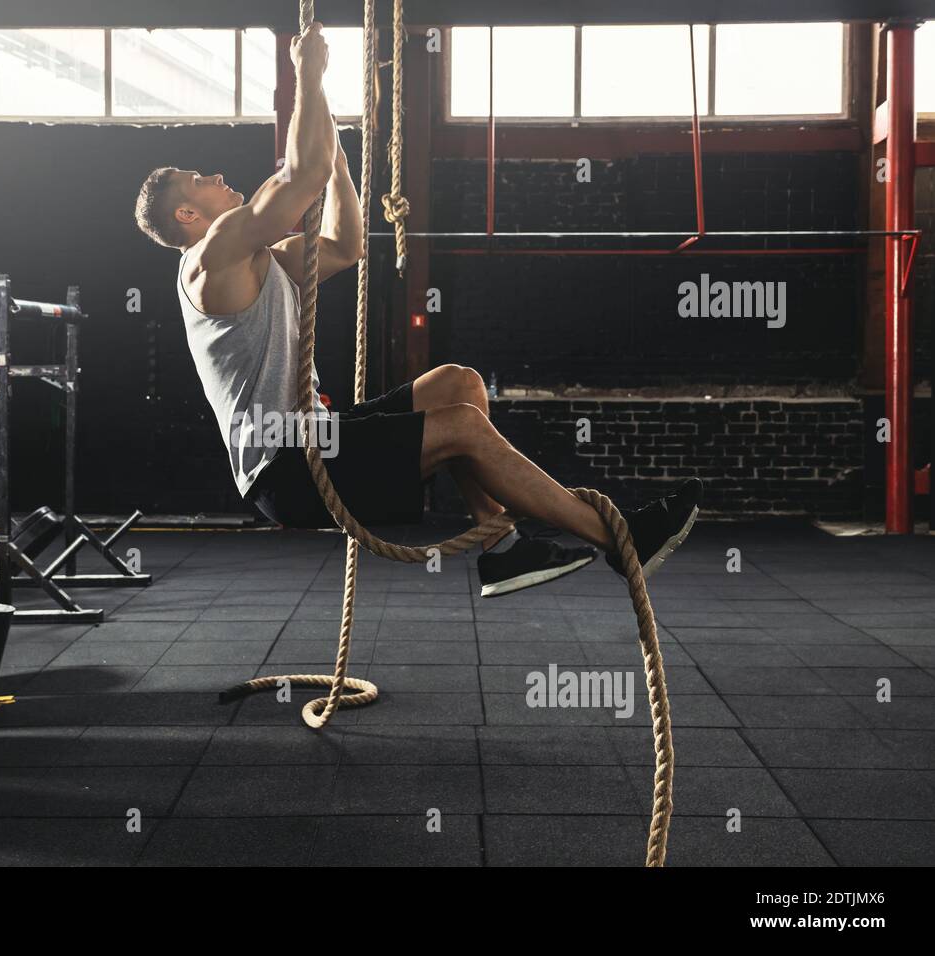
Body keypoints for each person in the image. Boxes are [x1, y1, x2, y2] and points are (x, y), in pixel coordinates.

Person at [134, 22, 701, 596]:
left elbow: (343, 245)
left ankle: (501, 547)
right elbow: (298, 175)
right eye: (198, 180)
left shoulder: (258, 259)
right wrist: (307, 69)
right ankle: (622, 538)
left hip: (317, 437)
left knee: (458, 384)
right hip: (287, 470)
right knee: (461, 428)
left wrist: (341, 171)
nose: (216, 177)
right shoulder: (211, 257)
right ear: (186, 216)